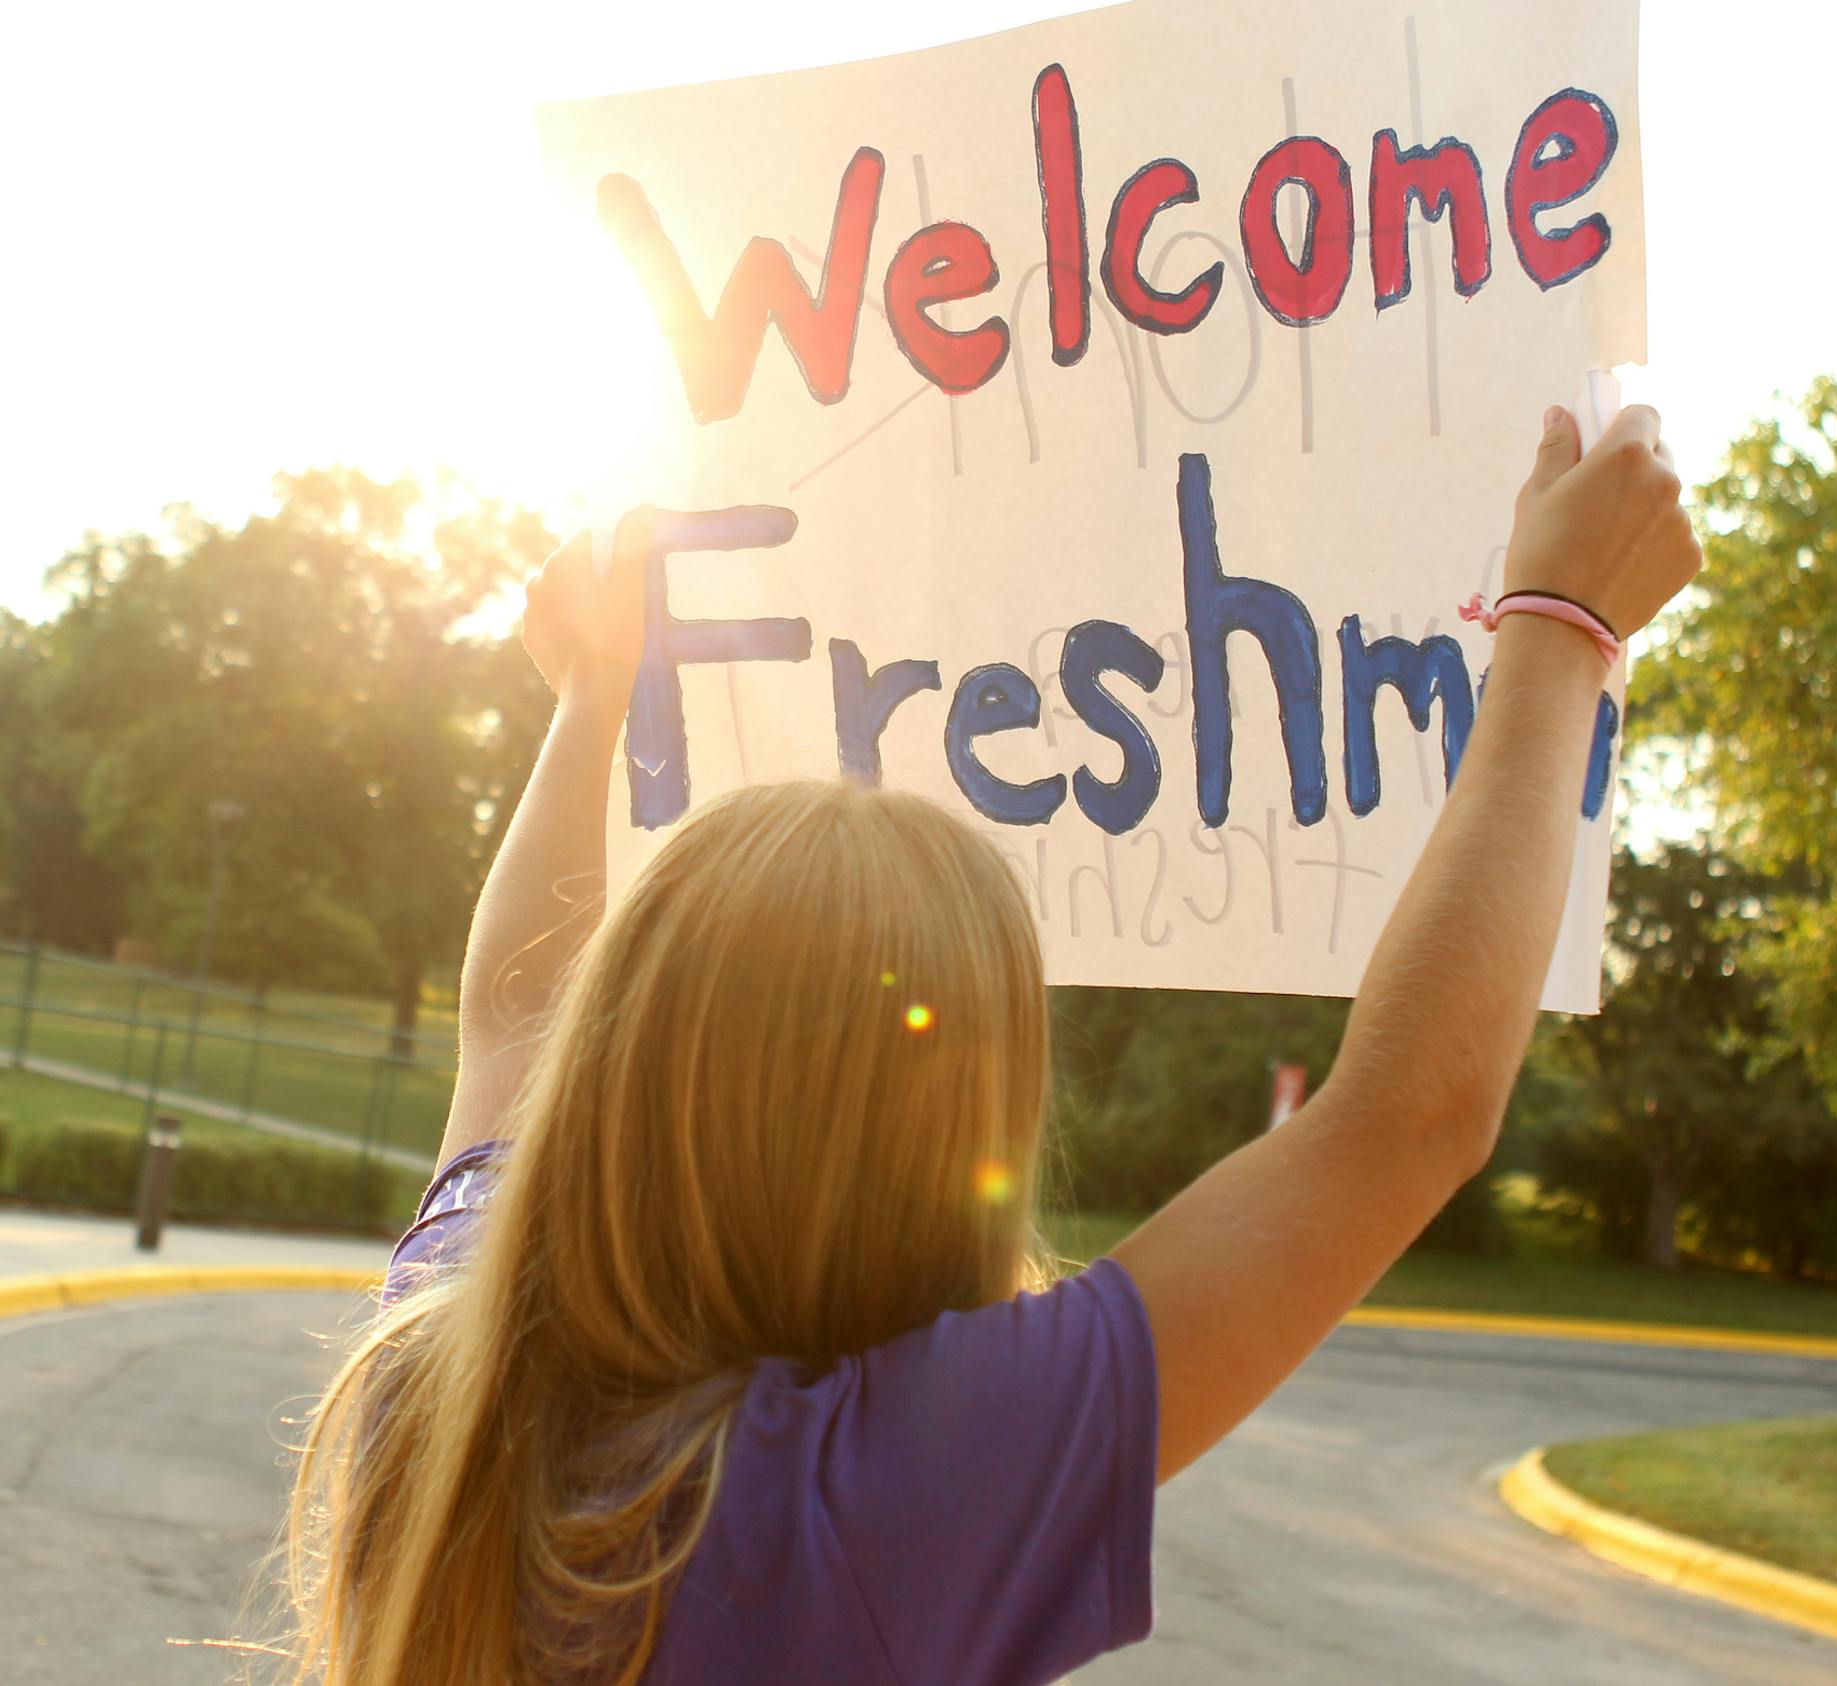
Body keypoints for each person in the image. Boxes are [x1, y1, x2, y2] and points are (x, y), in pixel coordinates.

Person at [275, 404, 1699, 1684]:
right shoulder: (876, 1501)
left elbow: (512, 1015)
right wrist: (1561, 627)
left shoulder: (445, 1369)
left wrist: (593, 694)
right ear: (961, 1139)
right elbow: (1406, 1116)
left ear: (621, 1047)